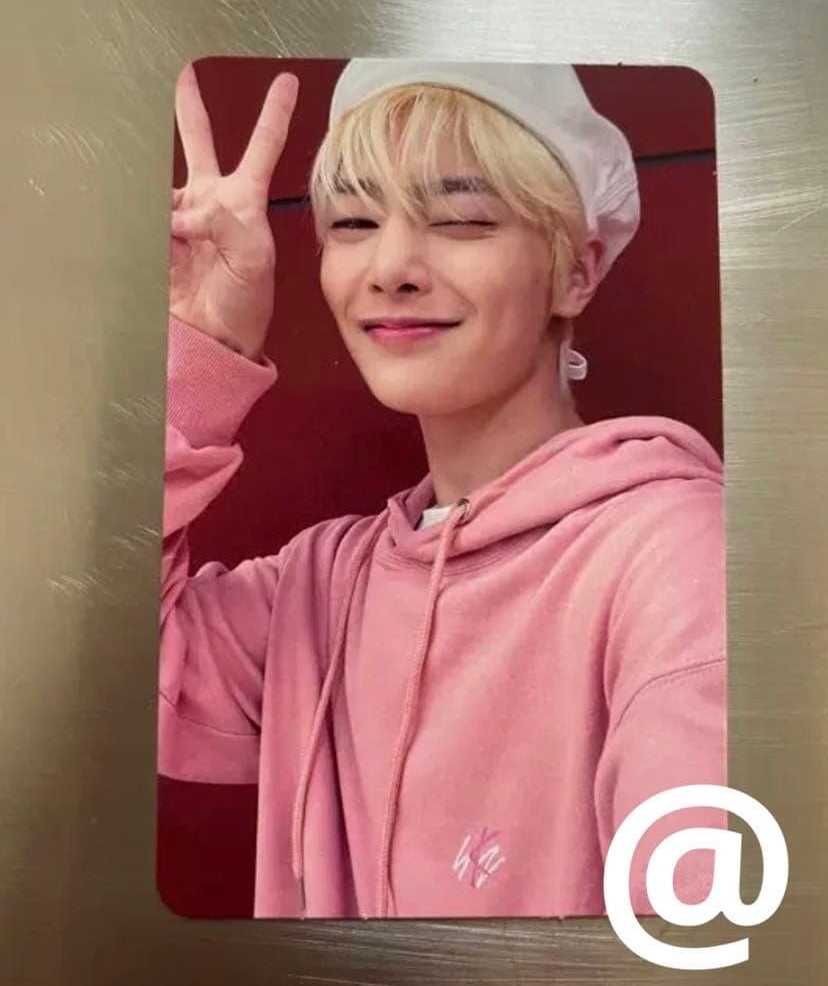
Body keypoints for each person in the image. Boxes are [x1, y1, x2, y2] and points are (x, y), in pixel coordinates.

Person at [161, 58, 726, 919]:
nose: (391, 266)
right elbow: (92, 664)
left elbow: (702, 934)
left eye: (461, 219)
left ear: (576, 272)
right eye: (353, 222)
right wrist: (205, 350)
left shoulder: (677, 558)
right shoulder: (320, 588)